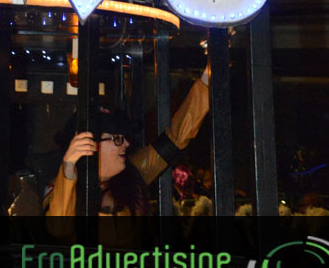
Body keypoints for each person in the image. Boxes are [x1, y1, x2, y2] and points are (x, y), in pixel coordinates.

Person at [45, 70, 210, 216]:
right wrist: (68, 165)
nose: (126, 144)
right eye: (117, 138)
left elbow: (176, 137)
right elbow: (59, 229)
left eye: (124, 137)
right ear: (91, 145)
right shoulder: (63, 187)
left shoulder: (134, 174)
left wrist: (207, 79)